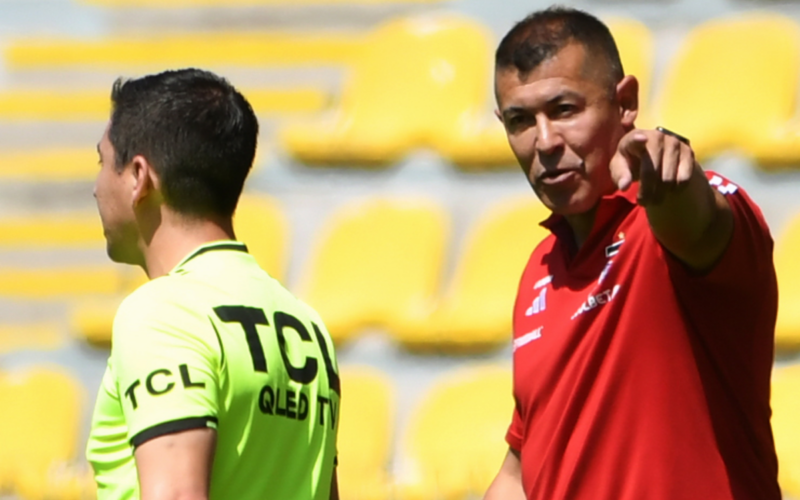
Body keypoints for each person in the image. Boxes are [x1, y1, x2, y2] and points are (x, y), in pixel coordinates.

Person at [484, 7, 780, 500]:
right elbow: (522, 467)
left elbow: (698, 228)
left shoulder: (671, 217)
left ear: (625, 103)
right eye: (520, 121)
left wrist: (672, 186)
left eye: (564, 110)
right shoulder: (539, 268)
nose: (545, 142)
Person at [86, 68, 340, 500]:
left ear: (139, 178)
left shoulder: (163, 312)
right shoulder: (306, 325)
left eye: (102, 163)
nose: (94, 188)